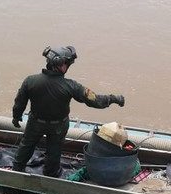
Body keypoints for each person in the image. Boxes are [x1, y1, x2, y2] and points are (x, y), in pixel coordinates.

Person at [11, 46, 125, 177]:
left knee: (26, 146)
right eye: (67, 64)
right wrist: (114, 99)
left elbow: (19, 103)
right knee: (54, 151)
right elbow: (94, 100)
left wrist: (16, 117)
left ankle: (17, 170)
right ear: (60, 65)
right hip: (58, 126)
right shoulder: (70, 86)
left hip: (35, 123)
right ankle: (50, 174)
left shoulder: (30, 81)